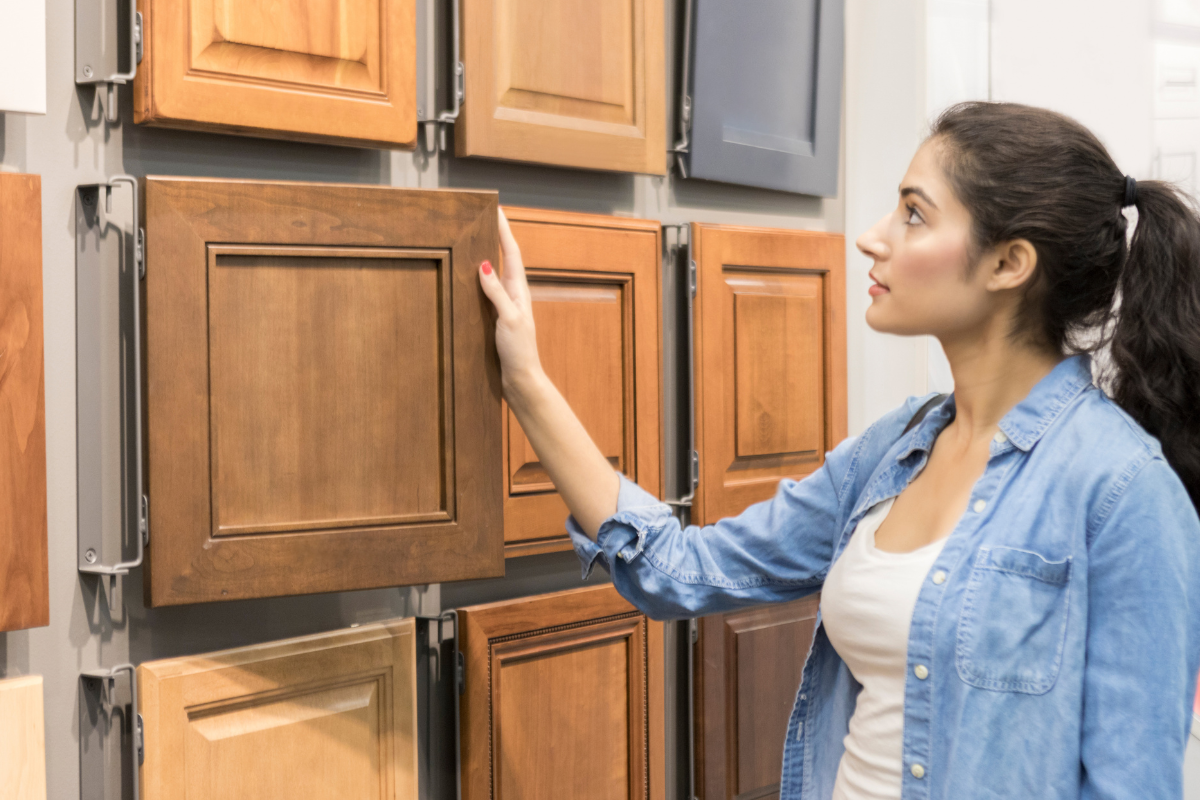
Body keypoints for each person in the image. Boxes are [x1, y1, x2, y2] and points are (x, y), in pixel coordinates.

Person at [477, 101, 1200, 799]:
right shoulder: (891, 453)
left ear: (1008, 263)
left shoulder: (1125, 494)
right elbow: (680, 572)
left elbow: (1131, 784)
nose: (874, 237)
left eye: (914, 214)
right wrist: (527, 382)